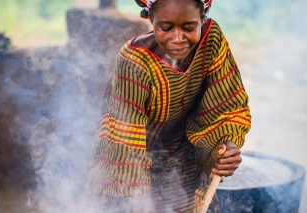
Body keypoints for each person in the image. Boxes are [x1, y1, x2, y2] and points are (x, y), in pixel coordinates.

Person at [89, 0, 251, 212]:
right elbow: (123, 140)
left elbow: (226, 107)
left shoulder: (211, 40)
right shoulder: (134, 61)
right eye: (166, 28)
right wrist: (136, 200)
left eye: (189, 28)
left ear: (203, 18)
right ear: (150, 18)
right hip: (135, 162)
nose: (178, 38)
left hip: (186, 158)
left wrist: (224, 147)